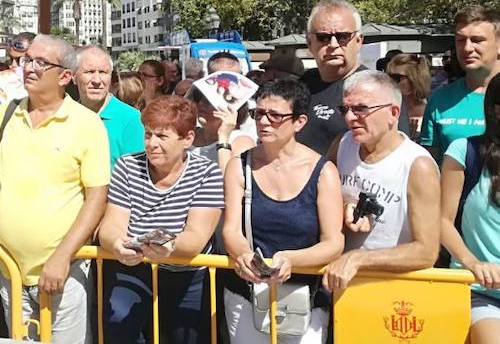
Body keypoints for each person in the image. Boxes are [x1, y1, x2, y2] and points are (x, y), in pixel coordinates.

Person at [0, 34, 110, 343]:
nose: (29, 67)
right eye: (28, 60)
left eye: (41, 62)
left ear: (65, 76)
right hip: (10, 269)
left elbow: (96, 198)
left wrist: (63, 256)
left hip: (65, 274)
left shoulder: (87, 124)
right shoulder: (5, 114)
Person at [223, 79, 343, 344]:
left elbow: (334, 242)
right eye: (259, 113)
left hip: (306, 297)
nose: (264, 122)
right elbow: (231, 228)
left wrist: (290, 259)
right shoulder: (239, 166)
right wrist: (243, 254)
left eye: (275, 116)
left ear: (299, 122)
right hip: (247, 295)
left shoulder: (324, 172)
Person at [99, 96, 223, 344]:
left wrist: (170, 247)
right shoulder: (127, 166)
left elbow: (197, 236)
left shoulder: (207, 173)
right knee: (118, 321)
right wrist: (117, 245)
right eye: (148, 135)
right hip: (134, 268)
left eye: (162, 137)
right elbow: (111, 225)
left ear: (187, 139)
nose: (152, 143)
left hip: (188, 274)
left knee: (187, 336)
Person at [323, 71, 440, 294]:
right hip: (339, 284)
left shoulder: (417, 165)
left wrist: (359, 259)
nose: (350, 118)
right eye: (345, 109)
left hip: (392, 291)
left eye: (361, 109)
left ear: (393, 113)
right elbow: (319, 201)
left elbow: (426, 251)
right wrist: (344, 207)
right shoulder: (342, 145)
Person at [297, 0, 409, 155]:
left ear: (358, 41)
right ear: (309, 42)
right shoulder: (301, 85)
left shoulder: (379, 90)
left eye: (343, 37)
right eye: (323, 37)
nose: (333, 44)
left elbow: (397, 155)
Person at [439, 75, 500, 344]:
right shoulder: (466, 151)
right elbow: (441, 221)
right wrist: (473, 263)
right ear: (496, 108)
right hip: (478, 291)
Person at [421, 6, 500, 163]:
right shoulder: (439, 101)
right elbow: (430, 166)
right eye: (461, 40)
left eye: (477, 40)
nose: (467, 48)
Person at [74, 45, 144, 171]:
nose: (97, 80)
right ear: (74, 77)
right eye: (89, 72)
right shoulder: (65, 116)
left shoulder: (130, 119)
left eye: (103, 72)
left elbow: (136, 175)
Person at [386, 54, 432, 142]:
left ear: (414, 80)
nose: (390, 82)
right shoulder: (384, 110)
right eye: (388, 76)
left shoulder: (430, 111)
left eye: (396, 78)